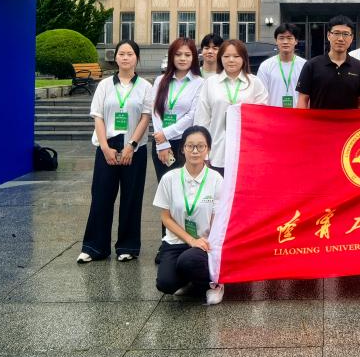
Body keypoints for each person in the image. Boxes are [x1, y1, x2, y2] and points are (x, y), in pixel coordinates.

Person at [78, 39, 154, 263]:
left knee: (132, 198)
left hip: (134, 147)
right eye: (121, 53)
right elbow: (98, 116)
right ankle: (94, 247)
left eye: (130, 54)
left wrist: (132, 145)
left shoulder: (145, 87)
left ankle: (127, 247)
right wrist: (104, 147)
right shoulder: (104, 85)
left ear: (137, 58)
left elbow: (145, 118)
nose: (125, 57)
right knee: (101, 196)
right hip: (107, 145)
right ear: (116, 57)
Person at [154, 125, 225, 305]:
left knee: (189, 260)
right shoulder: (169, 179)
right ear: (182, 149)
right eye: (190, 146)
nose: (195, 151)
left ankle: (214, 284)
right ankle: (191, 281)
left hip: (204, 244)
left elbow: (218, 218)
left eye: (200, 146)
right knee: (165, 283)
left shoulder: (216, 179)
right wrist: (190, 240)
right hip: (176, 241)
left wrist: (210, 244)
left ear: (208, 149)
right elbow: (165, 217)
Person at [194, 39, 268, 173]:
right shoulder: (211, 83)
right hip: (217, 153)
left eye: (236, 56)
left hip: (247, 152)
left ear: (244, 58)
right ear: (220, 58)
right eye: (226, 56)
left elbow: (263, 118)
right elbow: (202, 120)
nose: (231, 60)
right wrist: (203, 153)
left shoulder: (255, 83)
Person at [151, 38, 203, 178]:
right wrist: (162, 143)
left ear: (194, 57)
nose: (182, 58)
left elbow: (192, 116)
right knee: (165, 186)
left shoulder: (200, 83)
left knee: (186, 186)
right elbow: (155, 112)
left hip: (185, 144)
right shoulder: (160, 80)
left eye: (187, 55)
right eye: (178, 54)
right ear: (171, 56)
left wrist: (165, 134)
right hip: (161, 143)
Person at [295, 15, 360, 109]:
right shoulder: (312, 65)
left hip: (350, 119)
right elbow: (303, 100)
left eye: (345, 34)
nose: (340, 38)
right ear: (328, 35)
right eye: (336, 33)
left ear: (351, 38)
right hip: (319, 119)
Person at [257, 22, 306, 108]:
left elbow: (308, 96)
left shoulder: (305, 66)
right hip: (273, 114)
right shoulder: (265, 66)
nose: (285, 42)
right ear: (276, 41)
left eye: (289, 38)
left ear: (296, 41)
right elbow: (260, 96)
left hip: (297, 115)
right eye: (281, 38)